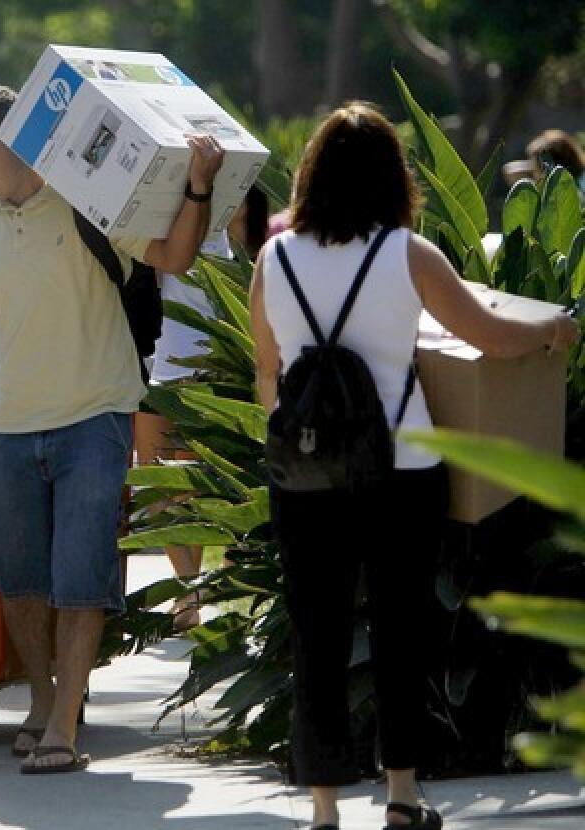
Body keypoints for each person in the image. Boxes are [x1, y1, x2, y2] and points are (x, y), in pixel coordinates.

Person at [248, 102, 579, 830]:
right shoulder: (407, 254)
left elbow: (267, 373)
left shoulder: (275, 259)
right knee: (404, 633)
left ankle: (325, 808)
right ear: (394, 178)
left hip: (307, 477)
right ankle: (402, 796)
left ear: (310, 174)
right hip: (403, 469)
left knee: (319, 633)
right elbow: (489, 336)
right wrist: (553, 329)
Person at [0, 84, 223, 773]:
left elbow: (171, 258)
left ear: (22, 143)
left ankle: (63, 724)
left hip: (95, 415)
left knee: (81, 576)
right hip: (10, 422)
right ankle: (43, 697)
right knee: (20, 580)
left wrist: (198, 191)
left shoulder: (92, 200)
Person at [135, 184, 269, 633]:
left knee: (195, 486)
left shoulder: (253, 258)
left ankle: (202, 589)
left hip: (214, 376)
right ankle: (187, 590)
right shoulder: (175, 239)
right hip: (157, 372)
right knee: (160, 486)